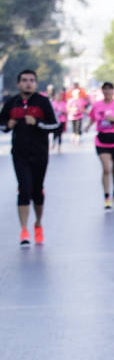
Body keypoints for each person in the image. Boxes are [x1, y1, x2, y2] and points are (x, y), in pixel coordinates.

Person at [0, 70, 60, 245]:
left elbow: (56, 125)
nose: (28, 83)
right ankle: (24, 230)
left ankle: (38, 224)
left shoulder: (43, 102)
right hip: (19, 153)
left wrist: (38, 123)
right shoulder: (12, 102)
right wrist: (7, 125)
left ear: (35, 84)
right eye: (24, 80)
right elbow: (2, 123)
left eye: (31, 80)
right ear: (18, 83)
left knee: (37, 190)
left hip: (40, 153)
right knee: (24, 189)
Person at [86, 82, 114, 210]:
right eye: (104, 89)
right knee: (106, 169)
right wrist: (88, 126)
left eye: (109, 89)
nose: (107, 92)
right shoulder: (97, 105)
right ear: (102, 91)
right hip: (102, 140)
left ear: (113, 91)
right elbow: (92, 117)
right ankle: (106, 197)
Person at [50, 89, 67, 153]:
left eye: (59, 96)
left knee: (60, 134)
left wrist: (63, 112)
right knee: (55, 133)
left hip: (62, 121)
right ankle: (53, 144)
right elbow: (51, 112)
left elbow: (66, 112)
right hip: (55, 121)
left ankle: (59, 147)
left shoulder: (63, 103)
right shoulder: (53, 103)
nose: (58, 97)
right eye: (57, 96)